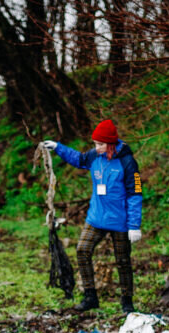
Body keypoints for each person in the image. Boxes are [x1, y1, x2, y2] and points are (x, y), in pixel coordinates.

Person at [43, 119, 143, 313]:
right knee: (82, 250)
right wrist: (57, 147)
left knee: (123, 261)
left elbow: (135, 194)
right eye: (95, 144)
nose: (96, 148)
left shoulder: (127, 162)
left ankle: (127, 301)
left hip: (120, 221)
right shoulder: (93, 156)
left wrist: (134, 225)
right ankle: (90, 296)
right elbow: (78, 159)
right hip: (96, 218)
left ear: (111, 143)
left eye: (100, 144)